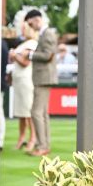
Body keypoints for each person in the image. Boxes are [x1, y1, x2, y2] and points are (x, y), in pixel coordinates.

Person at [28, 9, 58, 156]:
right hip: (43, 78)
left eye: (30, 23)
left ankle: (42, 146)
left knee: (36, 112)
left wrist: (30, 54)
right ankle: (44, 145)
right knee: (42, 113)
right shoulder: (45, 34)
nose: (30, 26)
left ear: (37, 20)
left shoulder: (47, 34)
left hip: (44, 78)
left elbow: (48, 55)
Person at [10, 17, 39, 151]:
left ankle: (33, 138)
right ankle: (22, 137)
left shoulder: (32, 43)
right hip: (18, 81)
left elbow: (25, 62)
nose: (21, 30)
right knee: (21, 112)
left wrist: (14, 55)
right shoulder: (23, 44)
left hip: (26, 80)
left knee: (28, 112)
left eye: (23, 28)